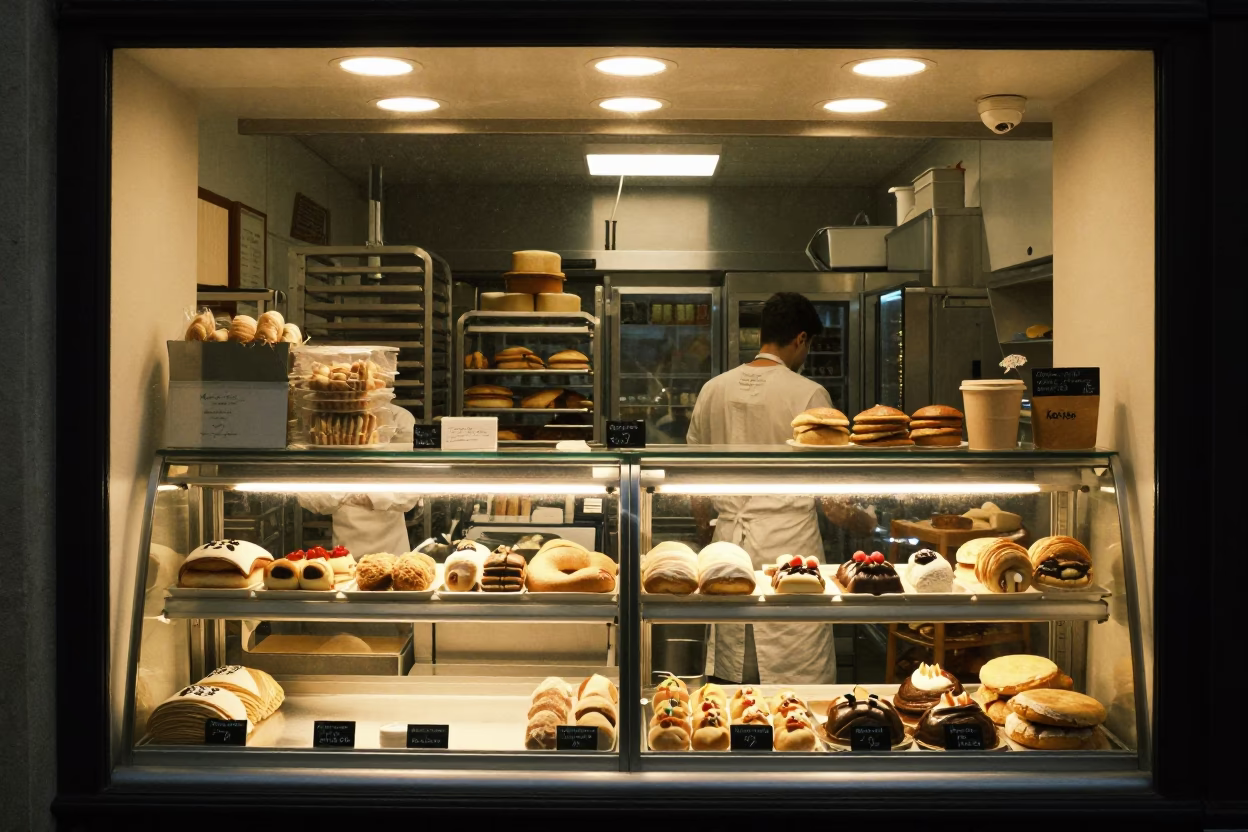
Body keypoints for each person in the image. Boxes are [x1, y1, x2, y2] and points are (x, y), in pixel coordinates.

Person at [686, 292, 846, 685]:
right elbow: (832, 498)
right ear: (801, 339)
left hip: (728, 543)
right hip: (791, 548)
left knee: (733, 675)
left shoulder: (713, 389)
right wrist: (860, 517)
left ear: (763, 334)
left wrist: (706, 528)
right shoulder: (809, 395)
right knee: (795, 668)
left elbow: (693, 477)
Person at [297, 404, 419, 554]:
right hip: (345, 554)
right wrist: (366, 494)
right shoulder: (325, 420)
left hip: (393, 552)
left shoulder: (400, 419)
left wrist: (350, 494)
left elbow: (410, 495)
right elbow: (309, 499)